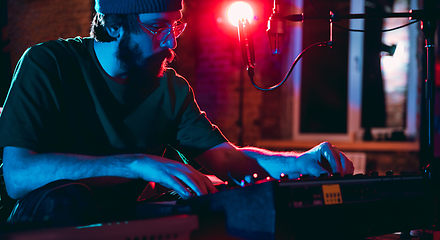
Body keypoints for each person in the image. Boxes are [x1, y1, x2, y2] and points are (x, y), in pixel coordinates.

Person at [0, 0, 354, 227]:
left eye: (177, 26)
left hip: (127, 226)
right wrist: (136, 163)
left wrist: (299, 163)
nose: (171, 42)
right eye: (157, 28)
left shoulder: (171, 89)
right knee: (67, 202)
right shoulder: (48, 65)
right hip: (50, 223)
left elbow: (227, 160)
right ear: (113, 25)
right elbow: (18, 175)